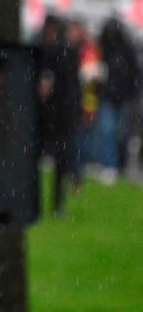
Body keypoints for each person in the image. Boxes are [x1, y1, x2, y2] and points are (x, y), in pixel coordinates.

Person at [36, 14, 82, 215]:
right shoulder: (60, 53)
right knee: (60, 159)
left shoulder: (58, 53)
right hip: (52, 114)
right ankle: (53, 203)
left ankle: (55, 203)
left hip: (57, 114)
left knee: (61, 160)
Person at [89, 18, 141, 183]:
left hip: (120, 97)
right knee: (109, 131)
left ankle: (115, 165)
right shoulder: (112, 50)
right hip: (112, 97)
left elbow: (134, 76)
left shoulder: (121, 51)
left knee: (117, 133)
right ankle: (110, 164)